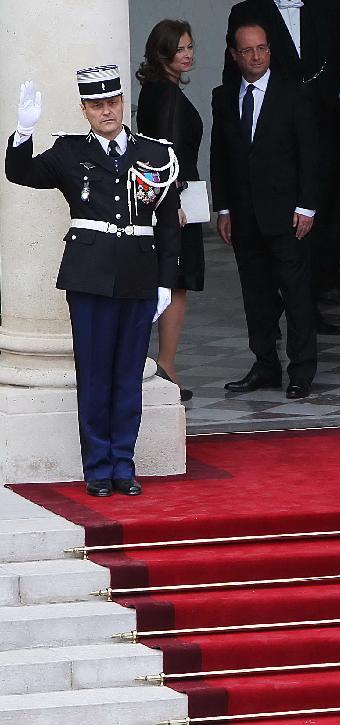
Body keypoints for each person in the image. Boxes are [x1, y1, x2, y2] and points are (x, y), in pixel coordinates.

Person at [5, 66, 179, 497]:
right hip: (90, 276)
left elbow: (171, 226)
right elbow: (20, 173)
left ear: (123, 103)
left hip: (139, 274)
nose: (107, 111)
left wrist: (166, 282)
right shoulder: (68, 153)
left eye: (113, 103)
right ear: (84, 109)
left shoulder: (156, 153)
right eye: (97, 105)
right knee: (96, 375)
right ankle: (98, 468)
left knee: (128, 376)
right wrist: (24, 133)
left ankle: (124, 463)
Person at [224, 0, 340, 332]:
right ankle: (271, 318)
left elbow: (335, 62)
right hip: (270, 135)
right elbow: (233, 78)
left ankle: (311, 304)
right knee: (270, 234)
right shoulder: (248, 10)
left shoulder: (322, 8)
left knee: (318, 217)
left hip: (320, 127)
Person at [211, 22, 320, 399]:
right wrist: (223, 208)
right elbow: (220, 156)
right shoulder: (224, 97)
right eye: (248, 50)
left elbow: (310, 152)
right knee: (255, 294)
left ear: (270, 51)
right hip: (244, 214)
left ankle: (302, 369)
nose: (256, 56)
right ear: (234, 55)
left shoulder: (293, 93)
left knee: (296, 293)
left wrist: (307, 207)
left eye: (262, 49)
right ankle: (265, 365)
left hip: (288, 214)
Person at [137, 19, 205, 402]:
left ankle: (165, 364)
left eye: (190, 47)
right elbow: (166, 150)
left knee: (173, 280)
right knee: (175, 281)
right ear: (162, 52)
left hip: (173, 195)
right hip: (173, 199)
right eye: (180, 48)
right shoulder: (164, 94)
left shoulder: (158, 90)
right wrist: (173, 201)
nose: (188, 54)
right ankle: (166, 365)